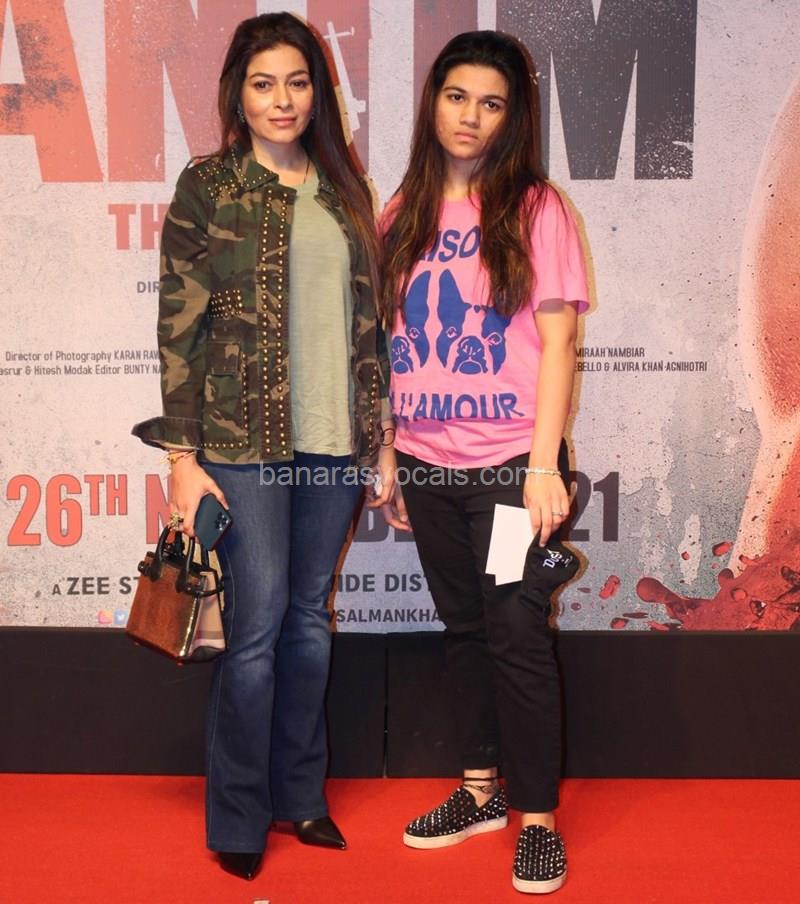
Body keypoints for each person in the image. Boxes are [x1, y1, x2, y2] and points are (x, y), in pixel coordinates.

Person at [132, 12, 384, 881]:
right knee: (256, 630)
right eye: (264, 83)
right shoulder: (210, 186)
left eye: (299, 82)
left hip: (333, 444)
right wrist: (180, 458)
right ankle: (239, 815)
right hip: (242, 444)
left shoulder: (346, 193)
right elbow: (178, 330)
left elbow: (369, 329)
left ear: (321, 92)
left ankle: (301, 796)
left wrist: (381, 439)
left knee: (311, 623)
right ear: (237, 94)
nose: (283, 100)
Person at [371, 30, 589, 895]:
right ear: (433, 102)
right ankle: (479, 792)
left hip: (506, 470)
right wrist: (391, 450)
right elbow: (389, 342)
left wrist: (542, 466)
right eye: (457, 96)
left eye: (491, 103)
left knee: (514, 632)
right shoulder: (401, 212)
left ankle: (536, 821)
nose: (470, 116)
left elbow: (560, 343)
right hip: (428, 465)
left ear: (512, 117)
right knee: (463, 630)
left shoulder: (536, 209)